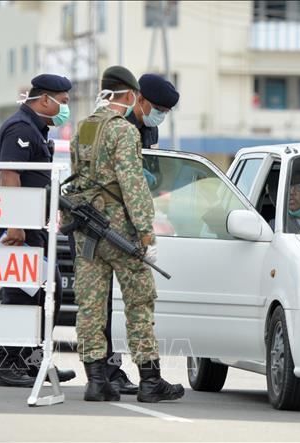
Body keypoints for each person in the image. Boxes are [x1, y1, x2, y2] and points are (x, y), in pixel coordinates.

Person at [67, 66, 184, 402]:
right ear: (132, 95)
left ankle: (97, 381)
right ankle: (150, 382)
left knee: (90, 307)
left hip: (87, 232)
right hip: (121, 233)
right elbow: (133, 187)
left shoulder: (85, 127)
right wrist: (147, 236)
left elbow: (77, 178)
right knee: (139, 304)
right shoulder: (124, 132)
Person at [0, 73, 76, 387]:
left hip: (31, 224)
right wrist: (15, 225)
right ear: (44, 99)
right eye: (63, 102)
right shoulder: (20, 128)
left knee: (43, 291)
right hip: (16, 228)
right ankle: (9, 366)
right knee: (21, 294)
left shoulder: (35, 129)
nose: (66, 108)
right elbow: (10, 175)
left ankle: (30, 362)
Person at [100, 73, 181, 395]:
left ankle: (118, 374)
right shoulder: (117, 125)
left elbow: (152, 175)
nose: (160, 114)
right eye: (157, 107)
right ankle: (112, 372)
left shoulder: (149, 127)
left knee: (136, 304)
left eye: (166, 110)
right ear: (139, 99)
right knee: (104, 304)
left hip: (133, 221)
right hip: (110, 223)